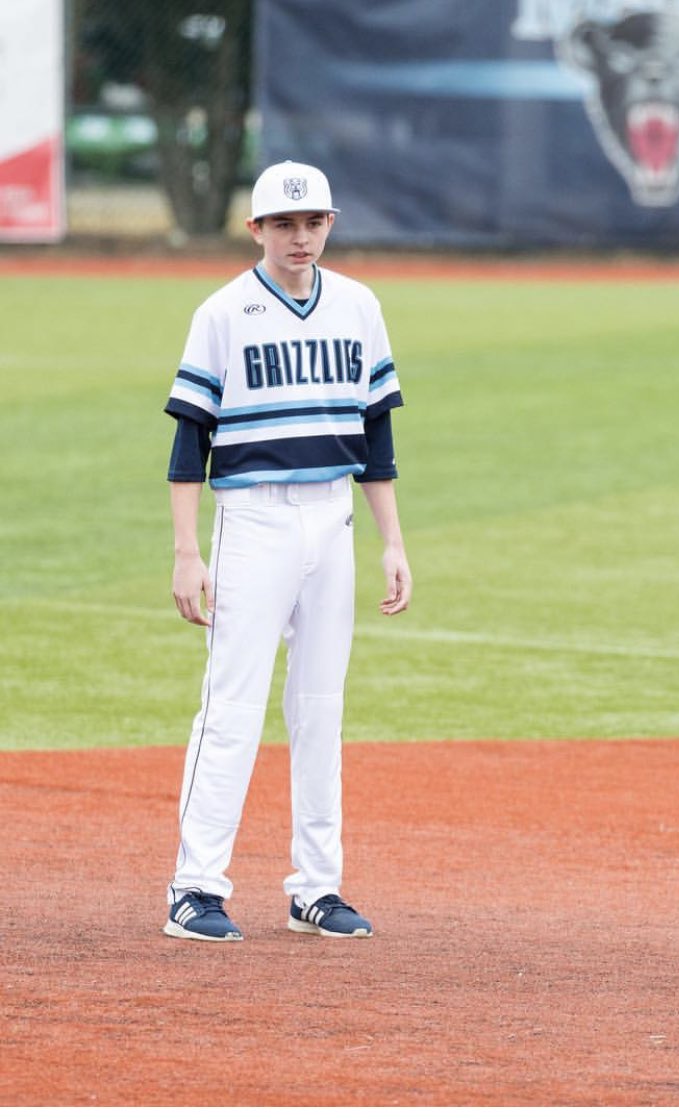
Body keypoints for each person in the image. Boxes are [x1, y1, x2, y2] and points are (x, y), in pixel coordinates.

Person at [162, 160, 412, 941]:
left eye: (312, 223)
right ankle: (194, 888)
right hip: (254, 520)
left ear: (330, 224)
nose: (299, 237)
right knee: (231, 706)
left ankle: (316, 887)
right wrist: (185, 549)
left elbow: (375, 433)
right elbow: (189, 438)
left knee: (318, 706)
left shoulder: (359, 306)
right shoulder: (224, 312)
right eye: (283, 224)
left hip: (330, 518)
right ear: (257, 229)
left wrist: (392, 540)